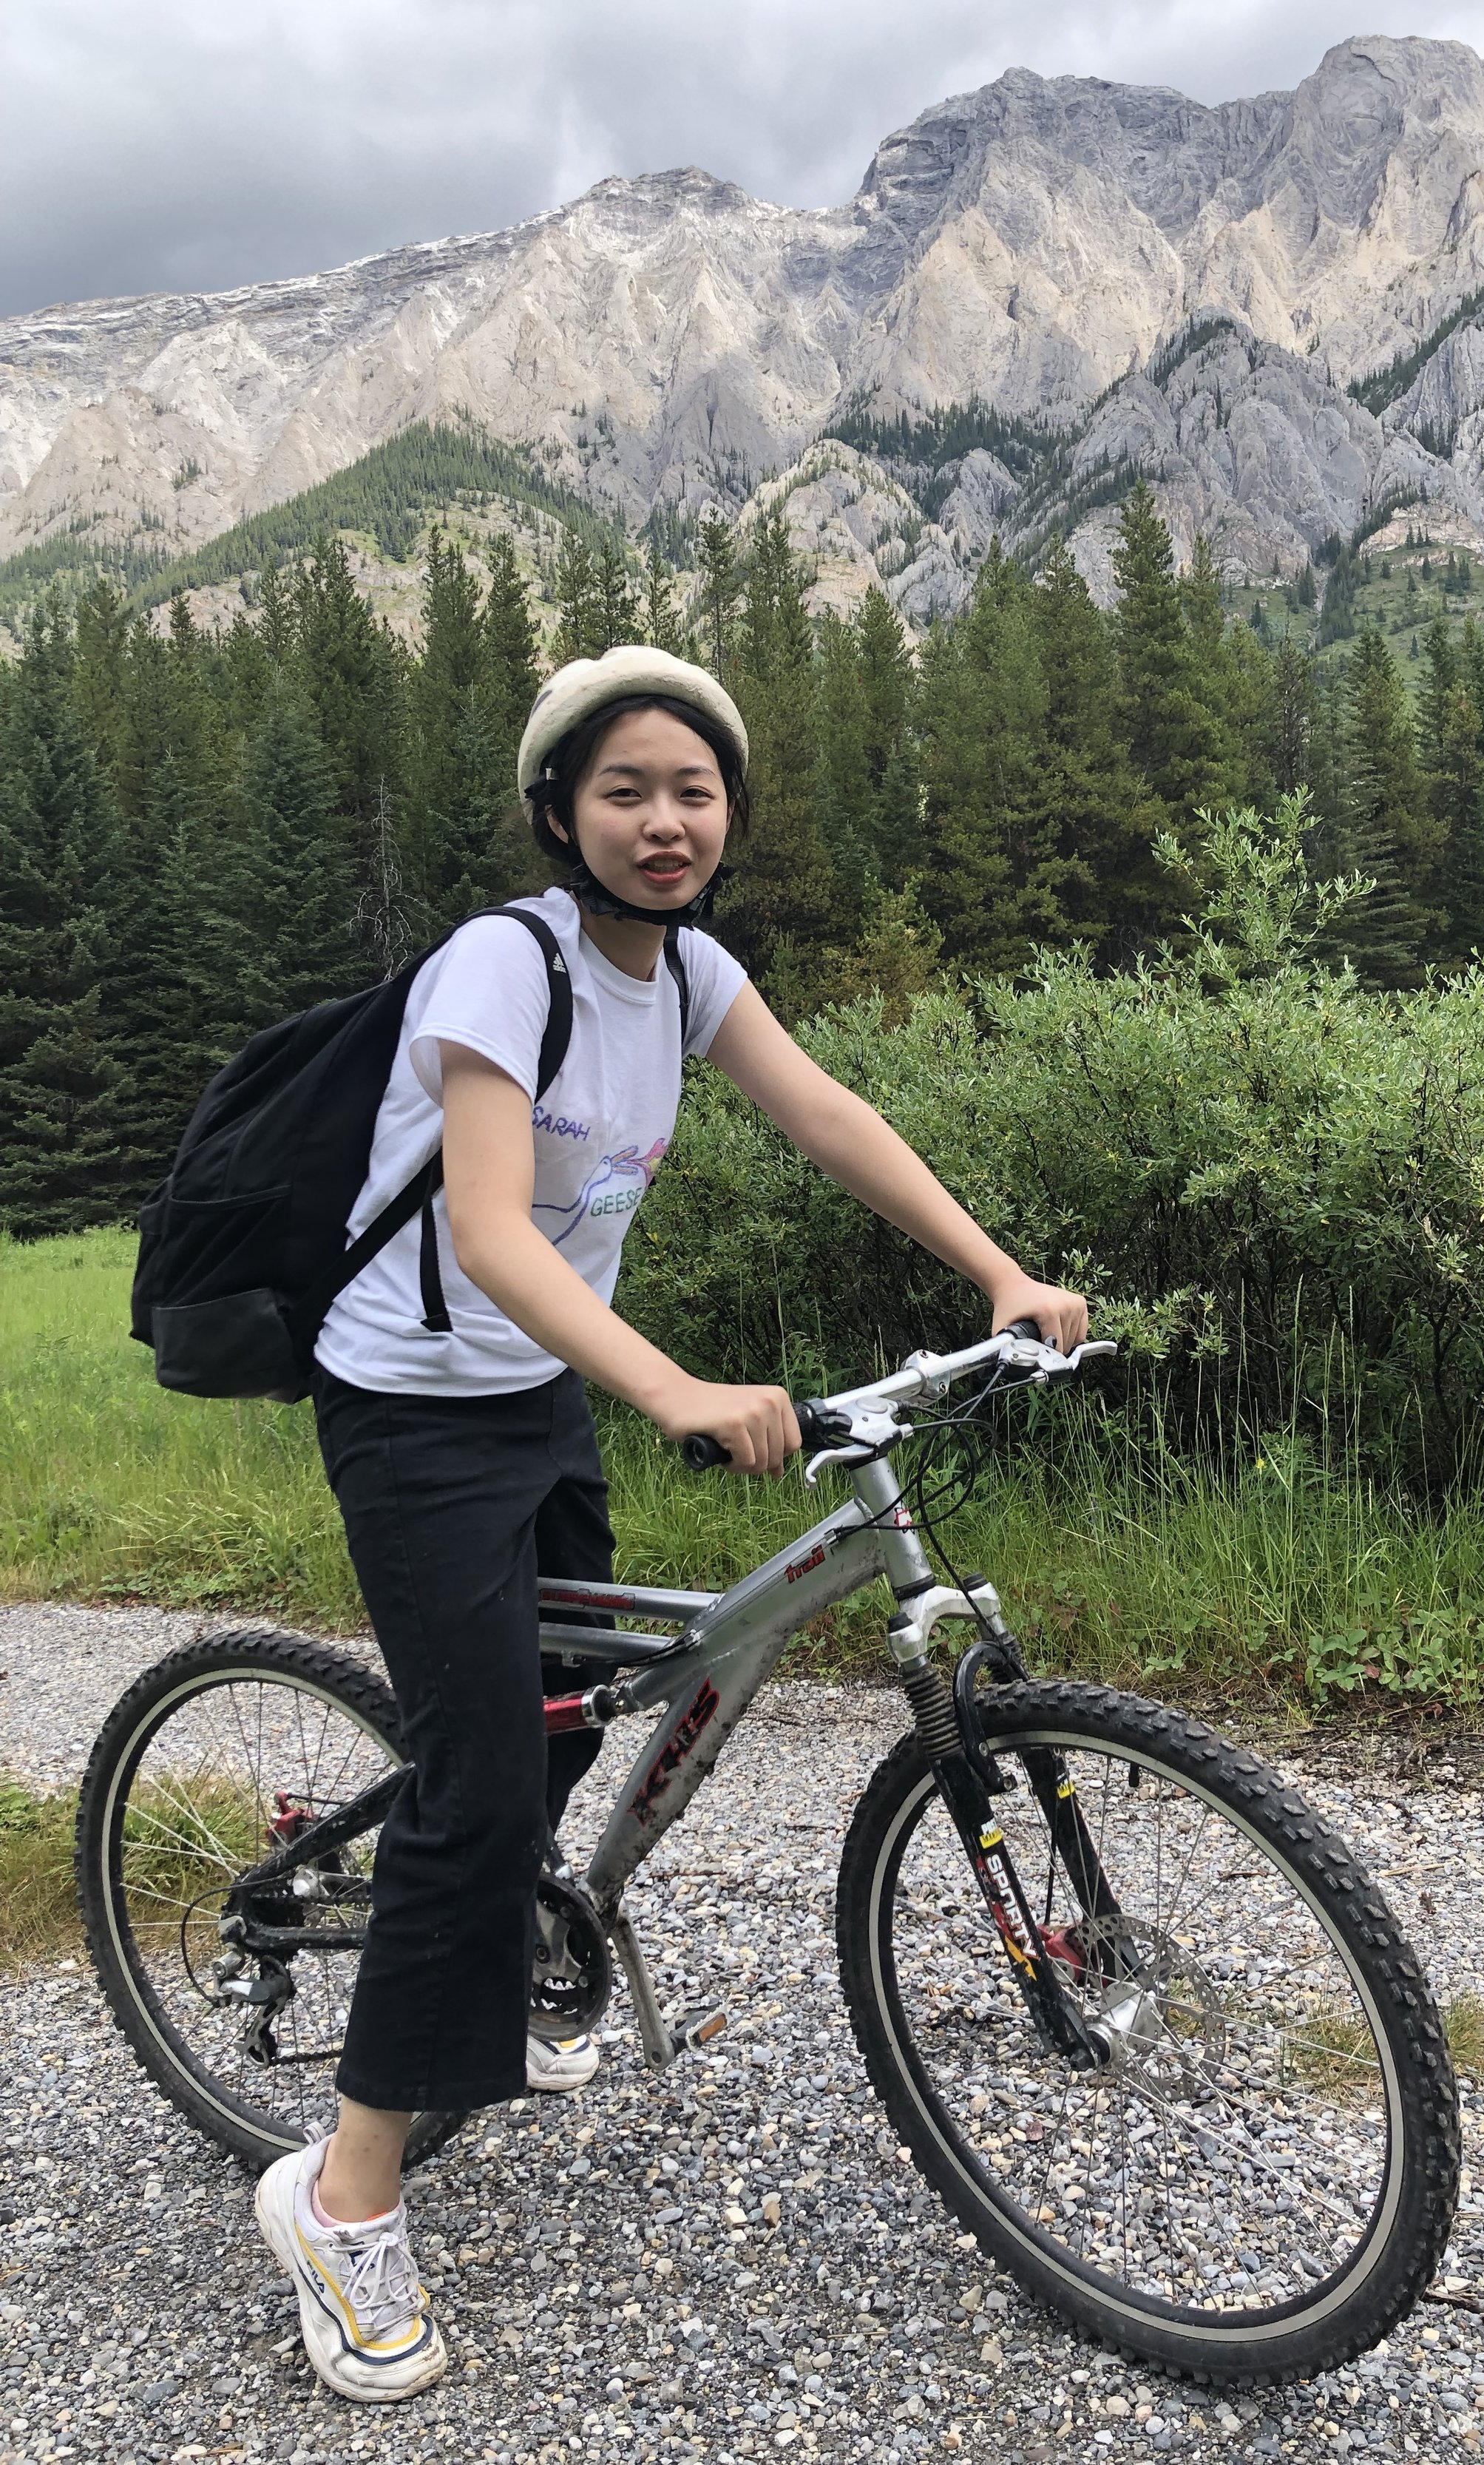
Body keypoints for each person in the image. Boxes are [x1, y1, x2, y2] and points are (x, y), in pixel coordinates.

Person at [254, 643, 1088, 2401]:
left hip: (535, 1389)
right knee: (485, 1780)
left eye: (692, 790)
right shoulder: (505, 961)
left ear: (727, 815)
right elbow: (491, 1228)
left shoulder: (691, 970)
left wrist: (998, 1271)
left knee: (565, 1715)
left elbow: (827, 1113)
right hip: (410, 1404)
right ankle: (340, 2194)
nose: (662, 820)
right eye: (623, 788)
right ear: (558, 810)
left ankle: (497, 1953)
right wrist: (676, 1388)